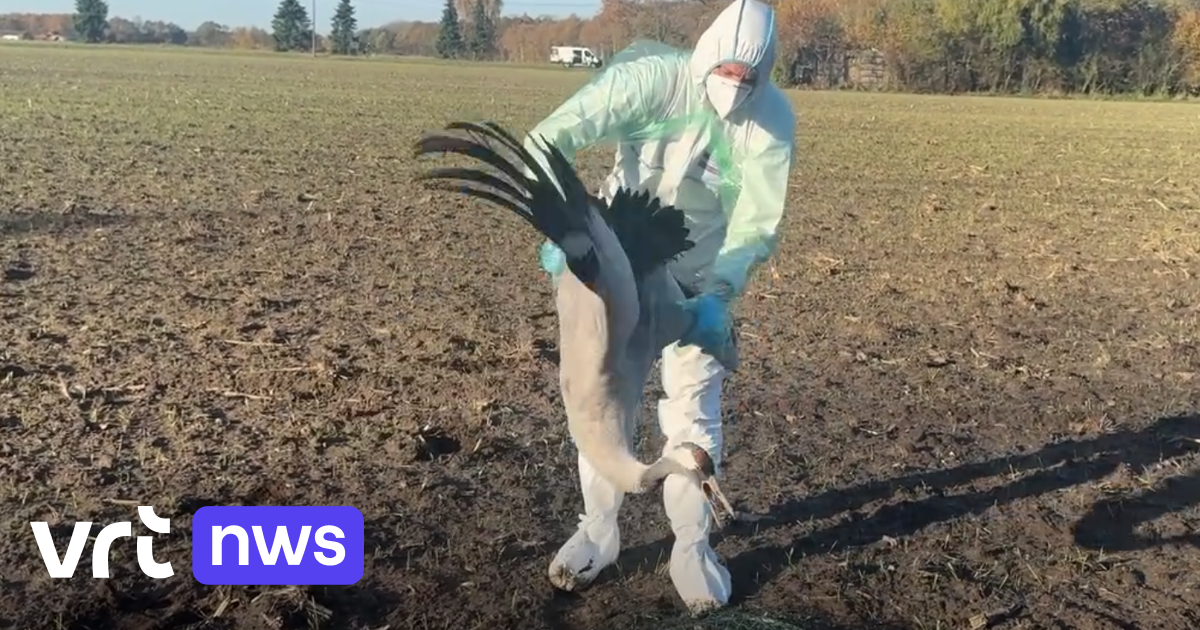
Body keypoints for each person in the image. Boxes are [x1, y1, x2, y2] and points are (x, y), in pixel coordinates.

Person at [520, 0, 796, 615]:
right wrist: (564, 229)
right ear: (702, 59)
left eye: (746, 79)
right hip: (618, 263)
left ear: (764, 76)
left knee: (693, 408)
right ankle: (599, 532)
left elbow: (756, 219)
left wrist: (717, 300)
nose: (733, 87)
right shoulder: (649, 80)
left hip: (699, 272)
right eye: (723, 72)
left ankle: (692, 548)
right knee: (599, 403)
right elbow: (549, 139)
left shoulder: (771, 119)